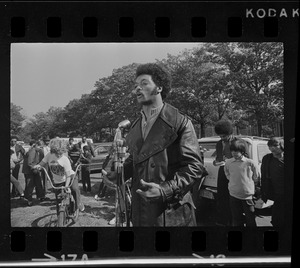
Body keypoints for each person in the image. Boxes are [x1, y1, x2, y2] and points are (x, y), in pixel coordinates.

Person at [106, 63, 204, 226]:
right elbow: (138, 160)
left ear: (159, 87)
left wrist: (164, 189)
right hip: (140, 210)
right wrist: (119, 174)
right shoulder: (135, 125)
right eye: (136, 85)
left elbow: (194, 167)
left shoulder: (180, 122)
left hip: (171, 211)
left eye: (144, 83)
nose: (137, 89)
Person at [34, 138, 85, 212]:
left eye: (61, 152)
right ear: (53, 150)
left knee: (74, 189)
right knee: (59, 198)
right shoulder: (49, 155)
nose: (59, 154)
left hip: (70, 177)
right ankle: (60, 217)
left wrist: (66, 186)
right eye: (57, 152)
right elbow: (42, 163)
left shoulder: (65, 159)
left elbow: (68, 176)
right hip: (58, 180)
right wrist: (38, 166)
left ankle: (79, 203)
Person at [224, 139, 259, 227]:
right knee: (236, 219)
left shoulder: (250, 163)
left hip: (247, 196)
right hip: (234, 195)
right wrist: (233, 181)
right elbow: (227, 174)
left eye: (237, 151)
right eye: (232, 151)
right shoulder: (228, 162)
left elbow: (256, 177)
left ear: (242, 151)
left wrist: (249, 185)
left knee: (250, 219)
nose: (234, 153)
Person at [213, 120, 237, 226]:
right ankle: (223, 220)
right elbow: (218, 158)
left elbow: (245, 159)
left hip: (234, 172)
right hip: (222, 171)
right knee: (222, 196)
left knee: (233, 198)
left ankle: (233, 221)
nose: (222, 138)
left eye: (224, 136)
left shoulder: (237, 142)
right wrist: (216, 161)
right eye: (220, 136)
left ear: (230, 133)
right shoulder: (218, 143)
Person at [260, 137, 284, 227]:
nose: (272, 148)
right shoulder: (267, 158)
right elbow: (263, 176)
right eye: (270, 146)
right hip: (276, 193)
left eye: (275, 145)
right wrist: (263, 191)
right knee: (276, 219)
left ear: (281, 145)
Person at [22, 140, 45, 206]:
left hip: (34, 170)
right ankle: (29, 199)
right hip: (30, 171)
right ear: (36, 146)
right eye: (40, 147)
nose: (41, 148)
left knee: (38, 183)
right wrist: (35, 168)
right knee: (30, 185)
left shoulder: (37, 151)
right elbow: (30, 163)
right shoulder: (32, 151)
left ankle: (40, 196)